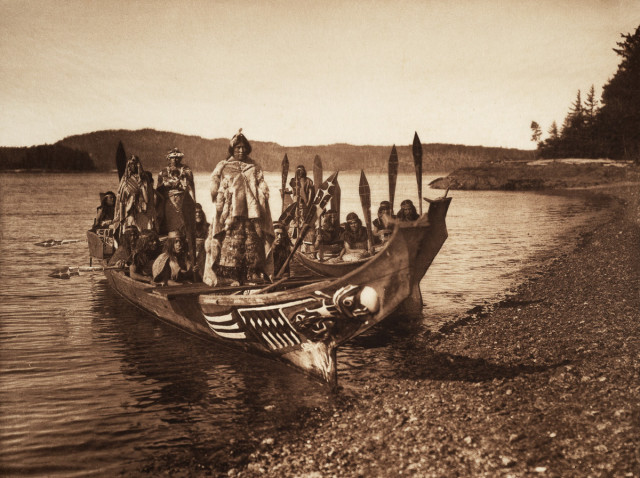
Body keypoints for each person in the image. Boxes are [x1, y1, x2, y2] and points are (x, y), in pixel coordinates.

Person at [204, 129, 274, 287]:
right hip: (231, 212)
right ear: (232, 149)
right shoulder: (224, 166)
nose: (241, 150)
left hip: (251, 212)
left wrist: (264, 190)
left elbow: (260, 181)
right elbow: (214, 181)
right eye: (237, 148)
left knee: (252, 242)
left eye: (243, 148)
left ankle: (250, 275)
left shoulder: (253, 166)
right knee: (231, 243)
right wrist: (217, 193)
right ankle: (231, 276)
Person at [156, 147, 196, 244]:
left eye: (177, 158)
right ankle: (171, 245)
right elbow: (159, 189)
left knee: (185, 224)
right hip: (169, 201)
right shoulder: (163, 172)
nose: (175, 160)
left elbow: (191, 187)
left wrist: (193, 202)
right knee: (170, 225)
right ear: (168, 159)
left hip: (184, 200)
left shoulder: (186, 170)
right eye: (173, 158)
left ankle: (185, 245)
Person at [113, 155, 156, 236]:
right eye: (131, 165)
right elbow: (121, 196)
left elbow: (149, 195)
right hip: (129, 208)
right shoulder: (125, 179)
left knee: (145, 227)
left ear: (138, 165)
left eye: (135, 164)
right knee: (130, 226)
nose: (133, 166)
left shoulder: (144, 178)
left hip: (142, 208)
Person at [194, 203, 210, 281]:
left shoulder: (207, 227)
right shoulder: (186, 228)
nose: (198, 214)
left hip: (203, 254)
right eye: (195, 212)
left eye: (199, 212)